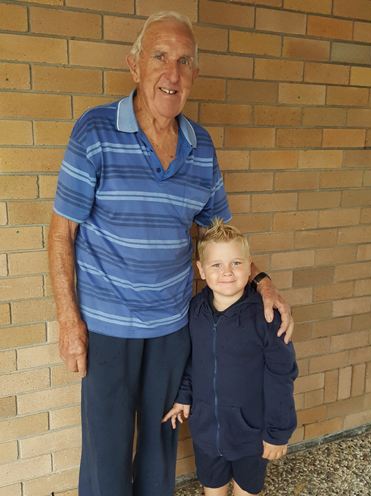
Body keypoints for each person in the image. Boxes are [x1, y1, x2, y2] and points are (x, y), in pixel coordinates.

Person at [47, 12, 294, 495]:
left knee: (162, 442)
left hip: (173, 325)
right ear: (134, 65)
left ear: (195, 75)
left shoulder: (200, 147)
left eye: (184, 61)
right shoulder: (94, 131)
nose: (172, 73)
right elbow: (61, 233)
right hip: (107, 325)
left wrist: (263, 282)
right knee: (107, 446)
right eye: (160, 57)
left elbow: (219, 237)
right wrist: (68, 320)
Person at [162, 219, 298, 496]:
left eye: (236, 263)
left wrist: (278, 433)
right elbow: (192, 361)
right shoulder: (195, 310)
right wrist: (184, 396)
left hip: (250, 433)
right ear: (201, 269)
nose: (227, 272)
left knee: (247, 491)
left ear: (250, 266)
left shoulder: (267, 316)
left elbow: (282, 375)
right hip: (205, 430)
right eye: (216, 265)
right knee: (213, 489)